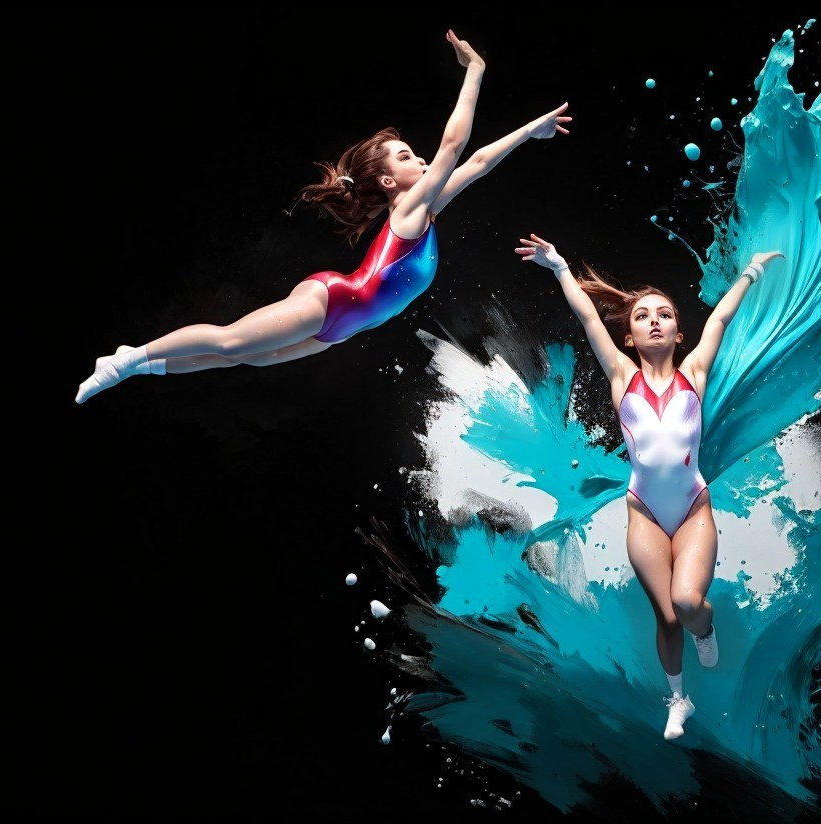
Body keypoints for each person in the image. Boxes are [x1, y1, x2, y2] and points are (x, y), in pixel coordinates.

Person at [75, 29, 571, 405]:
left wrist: (531, 134)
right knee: (230, 342)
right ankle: (127, 358)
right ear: (387, 183)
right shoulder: (411, 211)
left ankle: (149, 368)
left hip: (337, 332)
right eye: (405, 156)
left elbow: (478, 163)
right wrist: (476, 71)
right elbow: (457, 145)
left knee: (245, 356)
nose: (422, 160)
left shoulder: (426, 211)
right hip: (332, 302)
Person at [515, 232, 784, 742]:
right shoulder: (620, 375)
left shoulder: (695, 373)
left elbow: (721, 319)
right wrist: (558, 267)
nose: (654, 320)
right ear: (631, 338)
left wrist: (749, 272)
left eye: (664, 314)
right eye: (642, 316)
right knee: (665, 616)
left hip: (691, 509)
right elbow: (588, 318)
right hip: (642, 512)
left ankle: (705, 630)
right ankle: (678, 698)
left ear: (679, 332)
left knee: (687, 604)